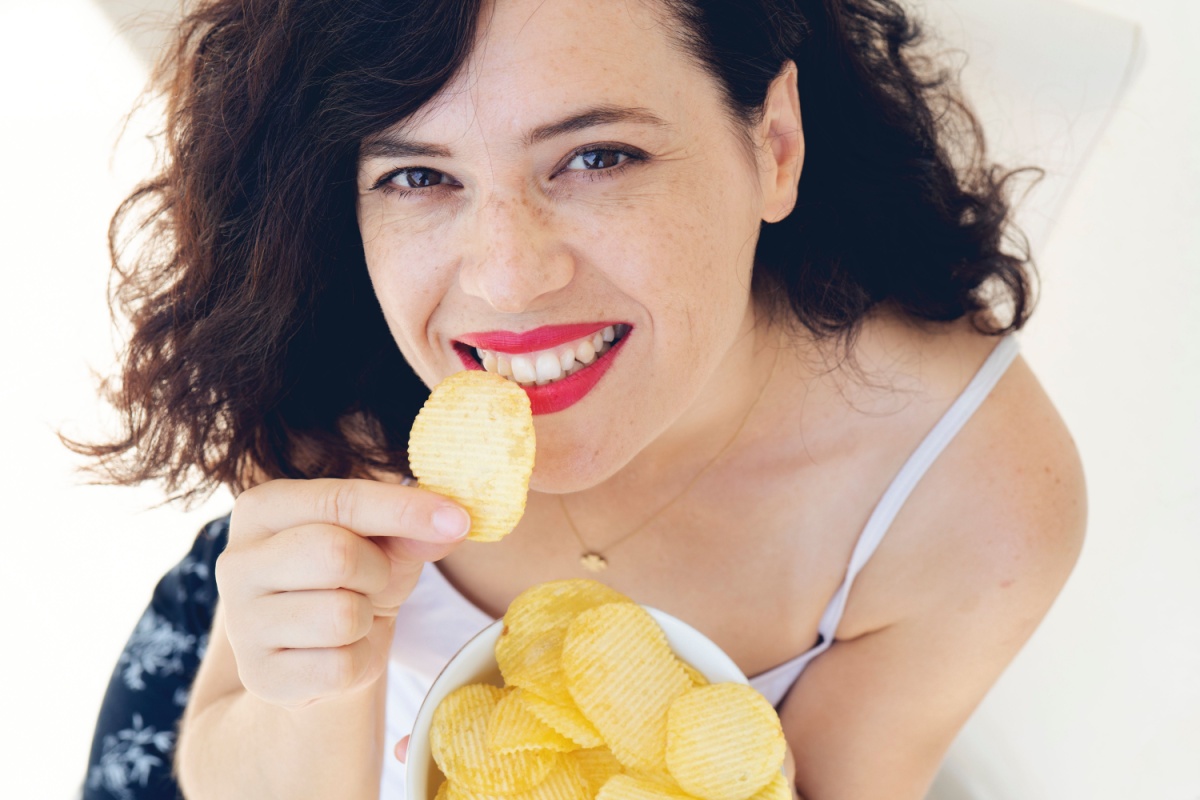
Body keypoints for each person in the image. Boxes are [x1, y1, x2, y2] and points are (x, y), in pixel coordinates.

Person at [77, 0, 1087, 798]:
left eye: (598, 156)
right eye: (421, 175)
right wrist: (319, 684)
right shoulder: (325, 337)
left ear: (774, 143)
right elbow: (217, 768)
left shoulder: (973, 496)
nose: (508, 279)